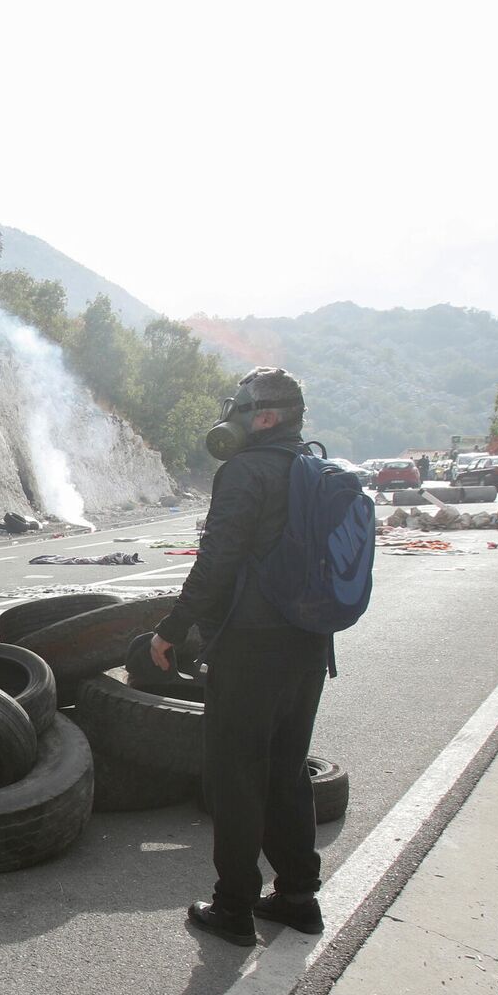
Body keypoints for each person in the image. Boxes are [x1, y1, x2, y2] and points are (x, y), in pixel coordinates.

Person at [151, 367, 331, 947]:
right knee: (286, 771)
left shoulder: (245, 471)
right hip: (310, 647)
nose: (232, 415)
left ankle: (233, 908)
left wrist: (172, 629)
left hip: (252, 650)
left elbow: (218, 560)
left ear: (267, 417)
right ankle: (299, 898)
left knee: (234, 777)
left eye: (242, 406)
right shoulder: (317, 469)